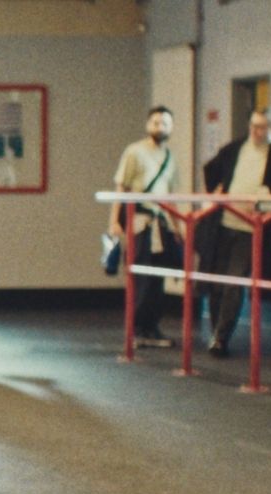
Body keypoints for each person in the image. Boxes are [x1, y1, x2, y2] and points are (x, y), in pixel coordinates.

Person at [198, 108, 271, 357]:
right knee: (216, 281)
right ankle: (217, 332)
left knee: (234, 281)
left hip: (251, 228)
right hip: (223, 223)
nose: (256, 132)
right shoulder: (235, 148)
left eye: (262, 127)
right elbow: (211, 170)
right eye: (253, 126)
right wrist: (217, 194)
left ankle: (221, 337)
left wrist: (269, 197)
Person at [107, 105, 180, 349]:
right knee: (141, 275)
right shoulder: (135, 152)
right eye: (156, 122)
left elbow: (171, 196)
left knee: (158, 277)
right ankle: (136, 327)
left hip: (161, 222)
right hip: (140, 221)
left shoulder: (170, 157)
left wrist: (178, 227)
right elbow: (122, 187)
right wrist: (115, 221)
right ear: (148, 125)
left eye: (165, 123)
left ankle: (151, 326)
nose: (160, 127)